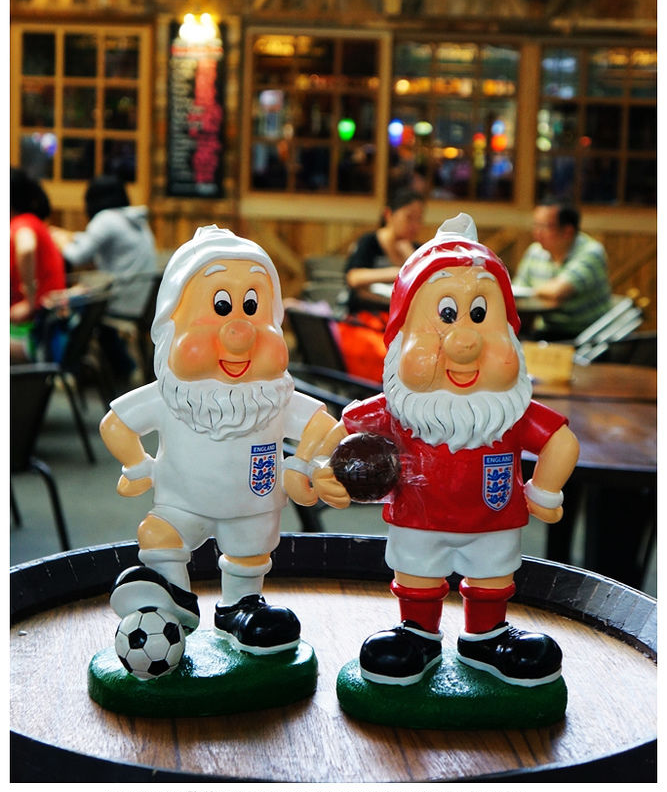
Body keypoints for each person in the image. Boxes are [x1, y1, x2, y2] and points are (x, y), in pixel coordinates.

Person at [294, 213, 579, 689]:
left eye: (480, 316)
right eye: (445, 317)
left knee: (492, 575)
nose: (464, 343)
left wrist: (544, 491)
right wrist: (321, 468)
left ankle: (486, 636)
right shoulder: (396, 409)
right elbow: (339, 429)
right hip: (418, 519)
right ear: (401, 337)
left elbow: (560, 441)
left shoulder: (508, 412)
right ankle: (417, 633)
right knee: (417, 574)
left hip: (493, 521)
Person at [99, 226, 338, 660]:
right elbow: (115, 425)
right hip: (180, 502)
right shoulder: (170, 396)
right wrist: (138, 467)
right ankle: (172, 597)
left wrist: (303, 465)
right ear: (171, 325)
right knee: (158, 534)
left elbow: (324, 426)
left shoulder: (274, 397)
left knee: (249, 554)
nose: (239, 332)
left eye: (252, 308)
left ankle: (241, 607)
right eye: (221, 308)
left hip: (253, 507)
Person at [56, 175, 158, 384]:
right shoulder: (134, 218)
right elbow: (92, 241)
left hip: (121, 299)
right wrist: (74, 237)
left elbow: (77, 256)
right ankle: (124, 367)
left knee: (74, 305)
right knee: (90, 307)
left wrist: (57, 239)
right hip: (143, 301)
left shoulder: (105, 219)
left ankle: (67, 369)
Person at [335, 188, 425, 383]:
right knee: (390, 359)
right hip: (364, 322)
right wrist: (399, 272)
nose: (414, 225)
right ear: (389, 214)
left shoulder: (417, 251)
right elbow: (354, 278)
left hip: (404, 328)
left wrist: (411, 258)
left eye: (419, 220)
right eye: (409, 218)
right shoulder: (370, 242)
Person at [513, 201, 612, 340]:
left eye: (544, 226)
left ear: (568, 231)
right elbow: (514, 293)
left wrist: (531, 293)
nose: (537, 232)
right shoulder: (535, 251)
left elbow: (558, 291)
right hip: (547, 331)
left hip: (587, 336)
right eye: (535, 225)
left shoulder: (591, 252)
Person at [10, 168, 66, 362]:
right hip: (43, 329)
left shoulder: (22, 223)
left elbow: (26, 248)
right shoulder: (32, 222)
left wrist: (30, 301)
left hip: (35, 337)